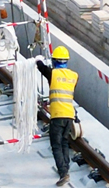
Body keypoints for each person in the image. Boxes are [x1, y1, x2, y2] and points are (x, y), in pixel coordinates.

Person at [35, 46, 78, 186]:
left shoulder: (53, 74)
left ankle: (63, 173)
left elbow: (42, 68)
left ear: (54, 61)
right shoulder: (74, 76)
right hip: (69, 115)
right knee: (64, 142)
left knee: (56, 145)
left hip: (57, 116)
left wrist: (38, 60)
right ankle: (66, 167)